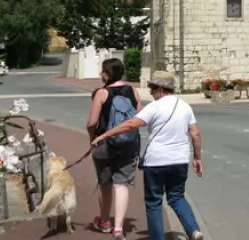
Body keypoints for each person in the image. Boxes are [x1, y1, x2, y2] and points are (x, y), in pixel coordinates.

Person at [92, 70, 204, 240]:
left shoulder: (154, 107)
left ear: (160, 89)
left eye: (152, 88)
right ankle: (194, 230)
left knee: (154, 202)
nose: (151, 92)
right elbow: (195, 133)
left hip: (157, 161)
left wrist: (104, 135)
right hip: (180, 160)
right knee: (176, 197)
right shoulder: (184, 106)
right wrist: (197, 158)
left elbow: (130, 124)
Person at [86, 58, 142, 239]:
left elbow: (92, 122)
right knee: (122, 183)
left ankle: (104, 221)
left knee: (105, 184)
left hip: (104, 143)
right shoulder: (133, 91)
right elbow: (139, 118)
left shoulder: (102, 93)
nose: (100, 75)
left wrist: (92, 138)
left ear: (107, 74)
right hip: (129, 143)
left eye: (102, 71)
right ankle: (118, 228)